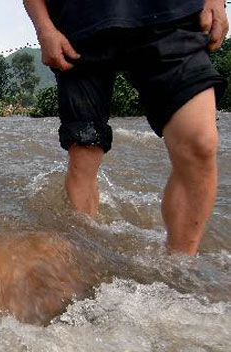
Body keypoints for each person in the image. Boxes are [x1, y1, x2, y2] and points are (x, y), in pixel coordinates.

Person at [23, 0, 229, 256]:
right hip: (79, 31)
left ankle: (180, 268)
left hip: (171, 17)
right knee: (84, 154)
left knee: (200, 143)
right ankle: (85, 256)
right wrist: (44, 29)